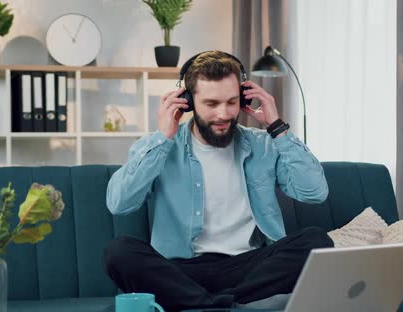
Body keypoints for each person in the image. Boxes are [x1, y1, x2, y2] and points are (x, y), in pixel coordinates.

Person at [103, 51, 333, 312]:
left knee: (316, 240)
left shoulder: (264, 144)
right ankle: (225, 305)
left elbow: (314, 192)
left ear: (243, 98)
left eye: (231, 102)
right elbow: (118, 204)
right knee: (118, 252)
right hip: (180, 270)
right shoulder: (159, 146)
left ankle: (205, 305)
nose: (224, 114)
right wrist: (163, 137)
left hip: (248, 266)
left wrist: (277, 126)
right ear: (187, 102)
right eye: (211, 104)